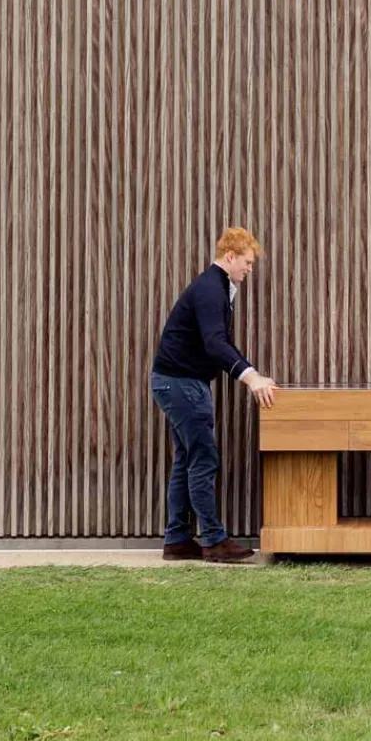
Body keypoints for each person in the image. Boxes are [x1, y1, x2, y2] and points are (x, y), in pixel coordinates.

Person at [150, 227, 277, 563]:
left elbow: (220, 343)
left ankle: (177, 541)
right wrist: (251, 378)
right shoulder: (211, 288)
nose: (250, 269)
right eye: (247, 262)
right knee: (204, 459)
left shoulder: (217, 286)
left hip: (173, 382)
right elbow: (215, 343)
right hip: (182, 384)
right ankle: (213, 540)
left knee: (187, 461)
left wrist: (249, 371)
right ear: (230, 256)